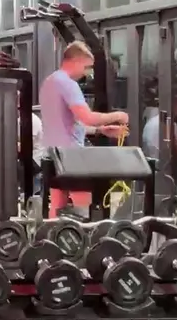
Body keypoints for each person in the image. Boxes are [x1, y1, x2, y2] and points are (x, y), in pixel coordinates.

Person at [39, 41, 129, 208]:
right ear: (75, 61)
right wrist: (118, 115)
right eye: (87, 67)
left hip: (52, 156)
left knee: (56, 208)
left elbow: (63, 123)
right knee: (83, 208)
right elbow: (87, 117)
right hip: (72, 158)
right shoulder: (68, 84)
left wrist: (99, 130)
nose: (87, 73)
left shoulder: (49, 82)